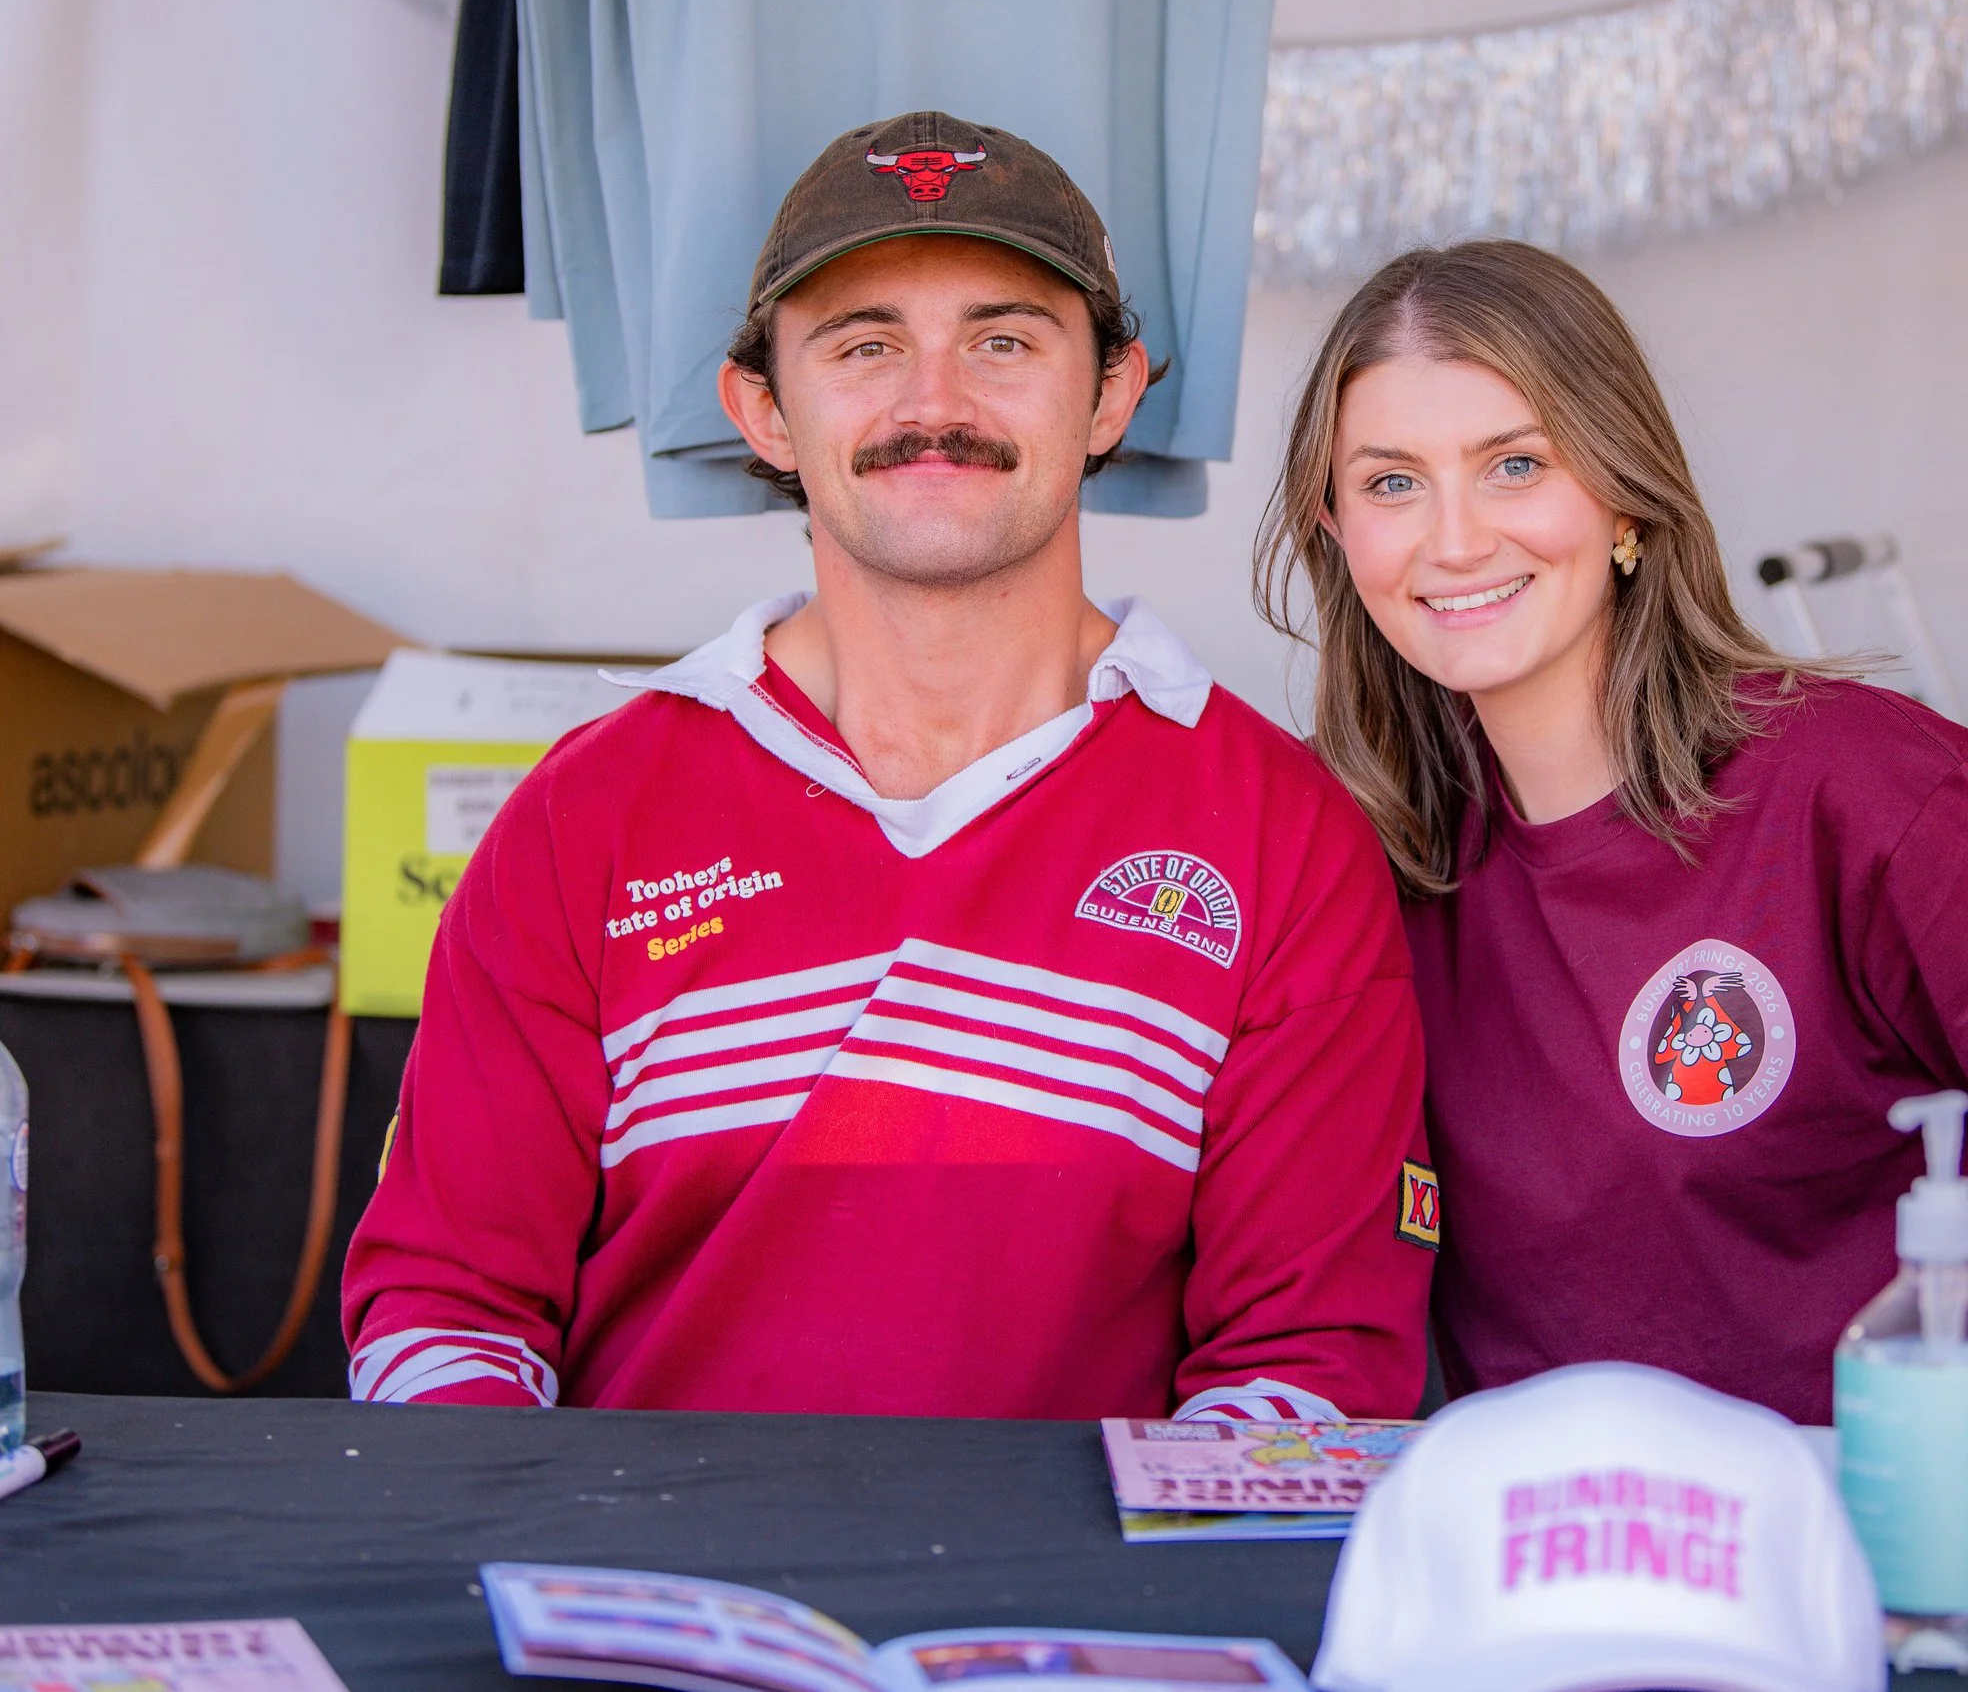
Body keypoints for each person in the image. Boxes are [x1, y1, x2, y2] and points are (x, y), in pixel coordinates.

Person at [341, 113, 1434, 1420]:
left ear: (1112, 393)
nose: (935, 403)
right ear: (764, 410)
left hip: (1081, 1616)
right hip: (647, 1605)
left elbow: (1307, 1356)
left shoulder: (1280, 833)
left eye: (1005, 341)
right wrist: (548, 1559)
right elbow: (446, 1302)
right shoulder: (586, 816)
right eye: (864, 347)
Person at [1255, 240, 1968, 1428]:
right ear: (1335, 529)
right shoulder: (1338, 850)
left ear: (1623, 491)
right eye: (1392, 483)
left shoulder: (1879, 797)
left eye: (1515, 465)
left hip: (1931, 1552)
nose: (1454, 540)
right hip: (1569, 1567)